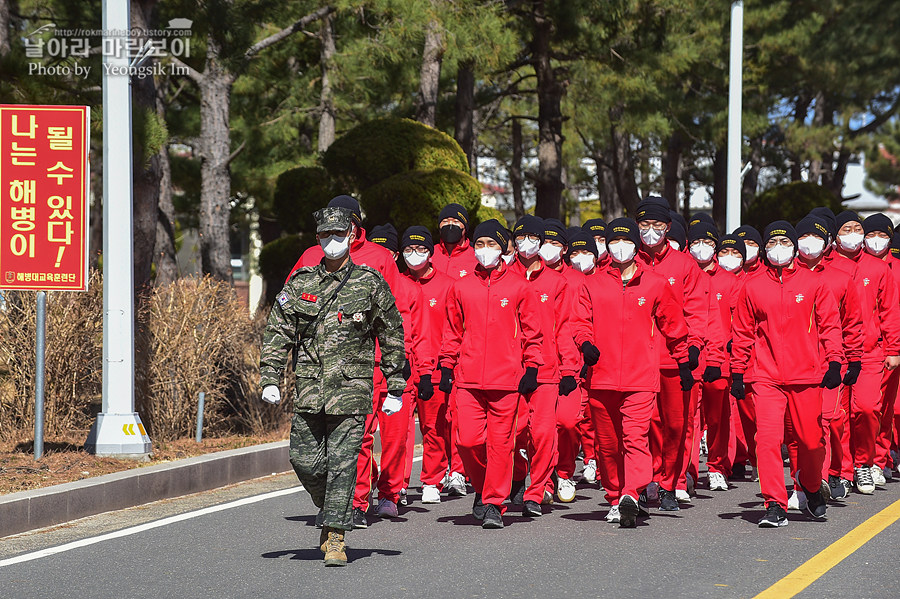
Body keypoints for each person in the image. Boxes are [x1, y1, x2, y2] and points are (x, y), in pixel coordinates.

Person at [260, 206, 406, 566]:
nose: (331, 242)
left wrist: (396, 385)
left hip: (353, 390)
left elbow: (391, 333)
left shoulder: (369, 282)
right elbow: (279, 331)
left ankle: (336, 538)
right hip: (310, 388)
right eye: (324, 235)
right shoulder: (301, 282)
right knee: (303, 460)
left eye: (338, 235)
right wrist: (270, 376)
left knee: (343, 466)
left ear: (352, 235)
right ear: (317, 238)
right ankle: (331, 511)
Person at [572, 218, 692, 527]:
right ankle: (614, 496)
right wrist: (585, 344)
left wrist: (683, 361)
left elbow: (673, 326)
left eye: (626, 240)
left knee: (635, 439)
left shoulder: (654, 283)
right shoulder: (592, 282)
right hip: (601, 377)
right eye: (614, 241)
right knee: (608, 446)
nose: (620, 246)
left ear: (636, 244)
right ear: (607, 246)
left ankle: (630, 493)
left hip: (640, 378)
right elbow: (579, 321)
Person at [730, 221, 843, 528]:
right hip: (765, 376)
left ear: (794, 248)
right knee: (766, 439)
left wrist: (835, 361)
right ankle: (774, 504)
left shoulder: (814, 283)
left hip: (806, 375)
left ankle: (809, 485)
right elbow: (742, 332)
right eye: (771, 243)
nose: (777, 248)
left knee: (810, 442)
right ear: (764, 249)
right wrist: (737, 372)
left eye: (783, 242)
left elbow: (830, 325)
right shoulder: (752, 286)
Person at [436, 219, 544, 529]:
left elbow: (532, 334)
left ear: (503, 249)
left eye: (492, 245)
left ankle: (495, 502)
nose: (485, 251)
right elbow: (453, 332)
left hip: (507, 381)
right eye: (480, 245)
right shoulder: (461, 287)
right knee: (467, 442)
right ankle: (484, 488)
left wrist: (532, 368)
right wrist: (445, 366)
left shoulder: (519, 287)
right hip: (468, 379)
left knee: (500, 445)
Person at [634, 196, 712, 511]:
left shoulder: (684, 265)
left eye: (656, 225)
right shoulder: (626, 264)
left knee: (676, 426)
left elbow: (697, 310)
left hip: (675, 361)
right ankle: (640, 483)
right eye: (644, 225)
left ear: (668, 227)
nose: (650, 231)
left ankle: (669, 483)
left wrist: (693, 348)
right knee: (639, 426)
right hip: (638, 360)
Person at [785, 215, 863, 508]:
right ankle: (801, 486)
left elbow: (853, 322)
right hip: (794, 365)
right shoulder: (785, 275)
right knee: (794, 431)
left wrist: (853, 359)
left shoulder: (842, 276)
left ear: (828, 242)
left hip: (830, 363)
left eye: (816, 237)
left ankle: (828, 476)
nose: (809, 243)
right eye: (803, 237)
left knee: (826, 421)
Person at [508, 216, 580, 512]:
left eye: (532, 238)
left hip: (547, 370)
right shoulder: (502, 277)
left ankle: (537, 491)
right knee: (512, 433)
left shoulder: (557, 282)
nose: (527, 243)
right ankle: (515, 478)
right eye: (521, 237)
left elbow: (564, 327)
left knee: (543, 432)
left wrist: (569, 368)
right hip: (510, 370)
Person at [363, 224, 427, 519]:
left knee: (395, 437)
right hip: (362, 370)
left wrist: (418, 369)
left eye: (386, 250)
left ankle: (390, 492)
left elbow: (420, 334)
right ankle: (360, 494)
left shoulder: (409, 289)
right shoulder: (357, 285)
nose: (380, 255)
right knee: (359, 436)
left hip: (397, 371)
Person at [833, 211, 900, 494]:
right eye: (846, 228)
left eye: (856, 228)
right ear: (835, 235)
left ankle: (863, 463)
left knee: (867, 409)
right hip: (835, 352)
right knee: (837, 417)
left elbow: (889, 311)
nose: (853, 233)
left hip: (870, 351)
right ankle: (842, 470)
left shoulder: (877, 268)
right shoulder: (826, 267)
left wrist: (893, 348)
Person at [399, 225, 461, 503]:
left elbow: (453, 327)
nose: (415, 255)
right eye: (409, 250)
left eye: (421, 249)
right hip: (400, 368)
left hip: (434, 368)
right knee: (399, 432)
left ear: (431, 251)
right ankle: (396, 483)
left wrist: (447, 364)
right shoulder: (396, 283)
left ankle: (432, 480)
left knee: (433, 428)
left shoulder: (448, 285)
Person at [687, 223, 735, 491]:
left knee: (717, 418)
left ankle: (717, 466)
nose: (701, 247)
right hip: (690, 359)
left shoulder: (728, 280)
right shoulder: (683, 275)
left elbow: (739, 322)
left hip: (719, 360)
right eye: (696, 242)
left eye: (707, 241)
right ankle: (689, 471)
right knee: (689, 419)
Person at [285, 195, 400, 291]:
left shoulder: (381, 257)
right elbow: (287, 300)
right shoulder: (310, 256)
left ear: (355, 228)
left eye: (343, 226)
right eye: (331, 226)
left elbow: (398, 306)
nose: (336, 230)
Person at [861, 214, 900, 486]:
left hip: (890, 347)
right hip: (865, 349)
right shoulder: (858, 265)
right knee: (866, 409)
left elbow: (891, 311)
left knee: (886, 408)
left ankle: (880, 458)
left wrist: (894, 347)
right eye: (871, 234)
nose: (876, 240)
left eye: (882, 235)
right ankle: (862, 460)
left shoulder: (895, 267)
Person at [432, 203, 478, 279]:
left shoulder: (476, 256)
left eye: (456, 221)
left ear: (465, 227)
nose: (450, 224)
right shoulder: (430, 254)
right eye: (445, 221)